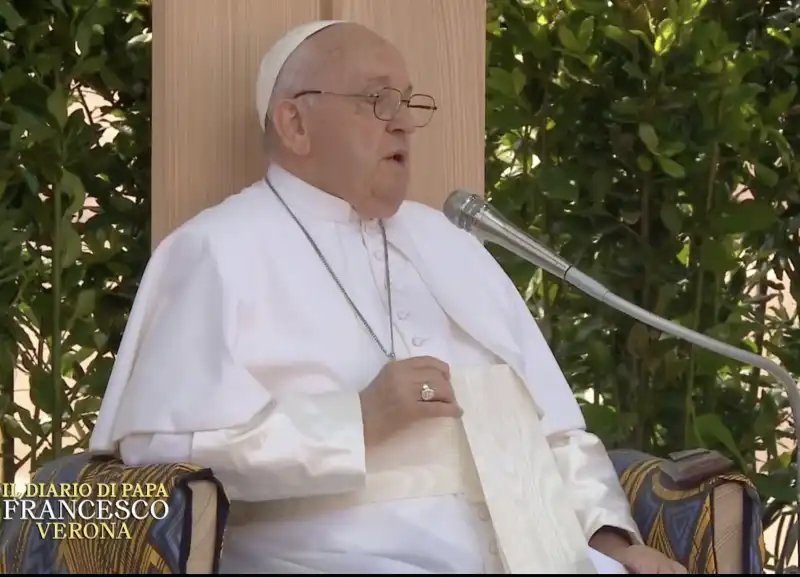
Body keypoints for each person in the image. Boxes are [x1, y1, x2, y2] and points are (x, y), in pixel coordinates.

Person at [90, 20, 687, 574]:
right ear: (295, 123)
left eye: (408, 103)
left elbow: (556, 429)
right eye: (378, 101)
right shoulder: (215, 250)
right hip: (332, 559)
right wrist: (356, 420)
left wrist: (610, 541)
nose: (402, 122)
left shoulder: (450, 245)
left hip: (532, 554)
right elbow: (161, 460)